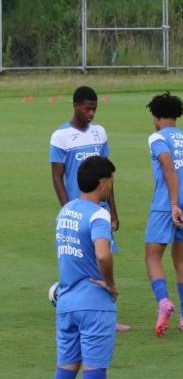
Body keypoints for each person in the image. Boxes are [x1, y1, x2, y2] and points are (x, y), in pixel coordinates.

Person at [49, 155, 129, 379]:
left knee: (65, 371)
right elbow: (103, 255)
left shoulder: (66, 210)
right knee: (94, 376)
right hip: (93, 304)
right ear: (103, 183)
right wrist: (109, 283)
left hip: (66, 301)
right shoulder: (98, 216)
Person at [50, 86, 129, 333]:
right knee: (86, 261)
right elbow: (57, 178)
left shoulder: (99, 133)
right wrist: (70, 209)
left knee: (101, 259)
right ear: (75, 105)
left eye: (94, 108)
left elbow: (107, 176)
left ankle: (99, 313)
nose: (91, 113)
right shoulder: (60, 137)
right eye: (87, 108)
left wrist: (113, 211)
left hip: (99, 210)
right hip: (79, 211)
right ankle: (87, 310)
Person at [144, 93, 183, 336]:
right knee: (181, 260)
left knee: (152, 256)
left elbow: (168, 167)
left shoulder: (157, 137)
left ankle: (164, 302)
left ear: (156, 117)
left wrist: (173, 203)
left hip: (168, 201)